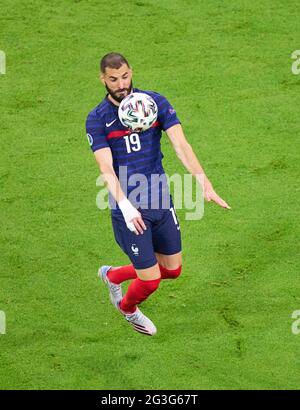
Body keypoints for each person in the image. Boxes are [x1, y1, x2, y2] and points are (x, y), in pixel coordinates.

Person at [86, 52, 230, 336]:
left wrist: (205, 183)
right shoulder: (97, 119)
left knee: (172, 270)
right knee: (150, 280)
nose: (121, 84)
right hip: (130, 210)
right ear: (103, 79)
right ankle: (127, 309)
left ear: (131, 72)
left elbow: (181, 144)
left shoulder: (154, 103)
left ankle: (112, 275)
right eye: (113, 79)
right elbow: (105, 166)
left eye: (125, 76)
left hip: (160, 200)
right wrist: (126, 207)